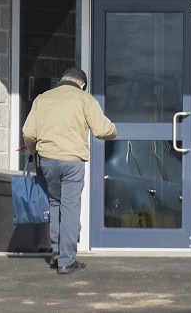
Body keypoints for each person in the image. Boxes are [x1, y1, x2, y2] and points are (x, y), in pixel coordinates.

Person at [22, 67, 117, 274]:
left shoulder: (42, 98)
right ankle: (67, 260)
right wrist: (113, 130)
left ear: (62, 80)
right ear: (82, 84)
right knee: (70, 207)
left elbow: (29, 132)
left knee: (55, 202)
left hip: (47, 160)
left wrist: (33, 149)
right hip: (72, 162)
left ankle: (57, 253)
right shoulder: (85, 99)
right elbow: (102, 130)